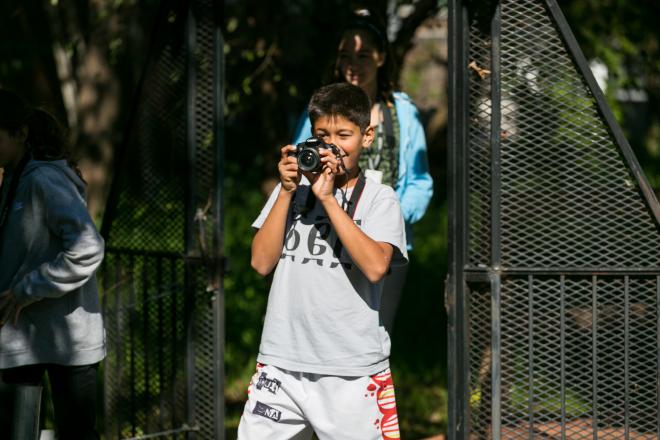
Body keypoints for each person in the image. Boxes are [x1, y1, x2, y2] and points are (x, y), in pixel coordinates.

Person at [238, 82, 407, 439]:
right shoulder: (293, 191)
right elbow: (260, 262)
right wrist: (286, 192)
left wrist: (329, 200)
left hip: (350, 371)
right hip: (281, 363)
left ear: (367, 136)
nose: (332, 146)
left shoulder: (380, 198)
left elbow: (377, 267)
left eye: (343, 135)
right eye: (321, 135)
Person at [292, 10, 433, 333]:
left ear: (381, 58)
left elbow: (420, 182)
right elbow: (302, 160)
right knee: (324, 330)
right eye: (345, 56)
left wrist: (392, 214)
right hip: (323, 239)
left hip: (383, 240)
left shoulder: (402, 111)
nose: (353, 64)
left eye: (364, 55)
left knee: (376, 330)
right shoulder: (321, 107)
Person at [0, 89, 105, 440]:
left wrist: (28, 290)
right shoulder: (13, 180)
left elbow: (87, 249)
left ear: (19, 134)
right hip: (21, 342)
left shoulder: (44, 179)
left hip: (69, 347)